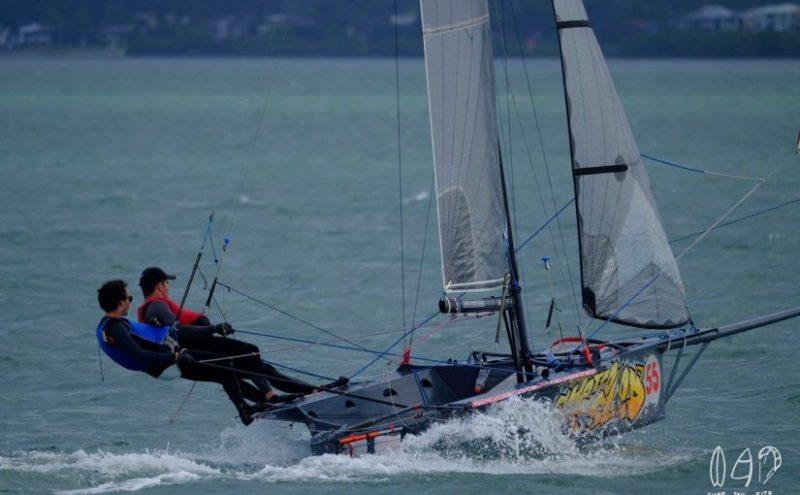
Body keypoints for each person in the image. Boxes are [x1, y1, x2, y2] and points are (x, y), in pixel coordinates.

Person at [96, 279, 301, 425]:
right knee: (228, 364)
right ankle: (250, 409)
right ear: (120, 301)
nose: (131, 301)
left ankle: (262, 404)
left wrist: (212, 329)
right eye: (129, 297)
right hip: (169, 362)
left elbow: (175, 332)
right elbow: (139, 355)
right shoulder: (115, 328)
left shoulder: (113, 325)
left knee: (226, 370)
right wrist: (174, 356)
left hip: (174, 354)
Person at [136, 267, 347, 397]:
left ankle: (312, 391)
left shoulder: (159, 305)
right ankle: (271, 396)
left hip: (199, 345)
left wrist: (203, 322)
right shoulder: (157, 305)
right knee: (251, 353)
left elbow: (179, 326)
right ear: (160, 286)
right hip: (198, 348)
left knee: (263, 368)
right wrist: (214, 328)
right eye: (166, 284)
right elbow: (178, 331)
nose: (169, 288)